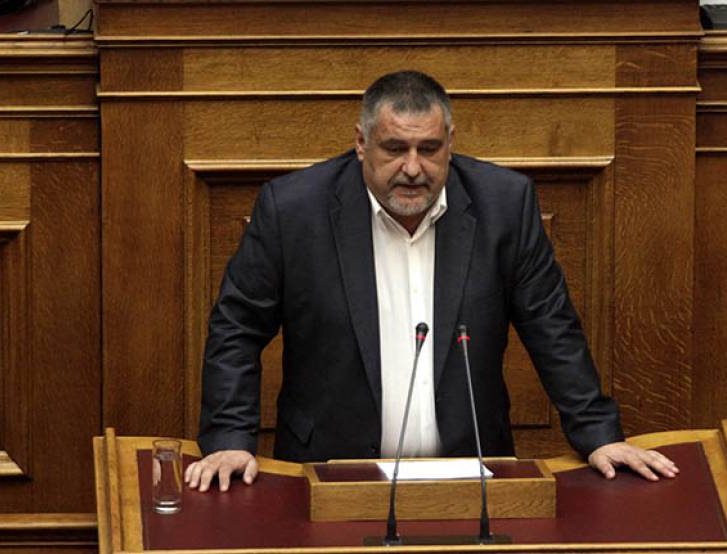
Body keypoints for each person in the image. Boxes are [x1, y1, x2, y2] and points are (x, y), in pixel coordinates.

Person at [185, 70, 679, 493]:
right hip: (328, 473)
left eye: (429, 149)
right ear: (361, 143)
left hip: (471, 474)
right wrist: (229, 440)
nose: (412, 168)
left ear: (450, 142)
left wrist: (598, 435)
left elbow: (552, 328)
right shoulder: (294, 210)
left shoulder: (504, 206)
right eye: (394, 149)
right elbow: (237, 327)